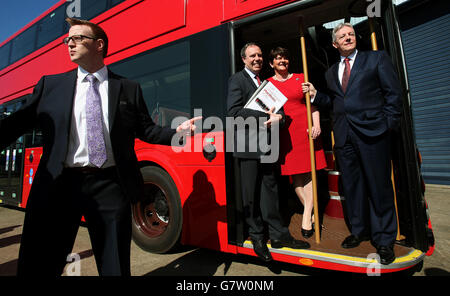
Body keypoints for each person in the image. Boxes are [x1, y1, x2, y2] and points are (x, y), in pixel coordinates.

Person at [0, 18, 200, 276]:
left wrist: (177, 134)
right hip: (60, 186)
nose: (69, 43)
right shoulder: (50, 86)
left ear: (99, 45)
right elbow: (14, 125)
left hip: (110, 186)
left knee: (114, 265)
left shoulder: (128, 88)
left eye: (77, 38)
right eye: (67, 39)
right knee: (41, 264)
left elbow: (146, 129)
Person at [305, 23, 402, 265]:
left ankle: (384, 239)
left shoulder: (376, 59)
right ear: (335, 44)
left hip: (373, 132)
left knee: (379, 186)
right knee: (353, 186)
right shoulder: (330, 72)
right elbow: (336, 101)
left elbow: (393, 94)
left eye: (350, 34)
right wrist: (317, 96)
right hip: (345, 136)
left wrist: (388, 124)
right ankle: (359, 231)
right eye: (342, 36)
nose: (348, 38)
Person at [227, 42, 310, 262]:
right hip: (247, 148)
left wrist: (280, 118)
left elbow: (279, 111)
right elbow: (234, 112)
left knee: (270, 193)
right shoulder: (238, 80)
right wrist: (265, 117)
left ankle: (279, 235)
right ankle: (257, 238)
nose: (257, 59)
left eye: (260, 55)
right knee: (251, 195)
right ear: (243, 59)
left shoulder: (266, 84)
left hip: (266, 146)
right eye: (252, 56)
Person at [267, 47, 327, 238]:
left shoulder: (301, 78)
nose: (282, 61)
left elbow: (313, 104)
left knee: (309, 174)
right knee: (295, 177)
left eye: (284, 57)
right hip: (286, 133)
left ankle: (306, 217)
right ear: (272, 64)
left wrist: (316, 125)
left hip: (306, 131)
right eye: (278, 58)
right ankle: (311, 211)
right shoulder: (267, 84)